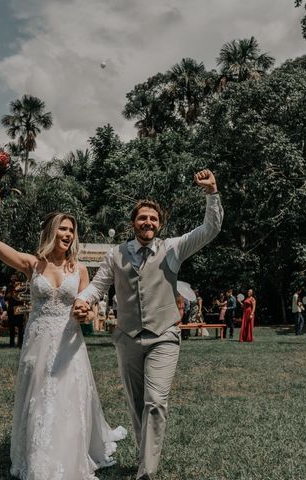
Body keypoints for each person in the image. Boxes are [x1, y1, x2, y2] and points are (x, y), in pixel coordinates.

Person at [73, 169, 223, 480]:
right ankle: (145, 458)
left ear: (160, 224)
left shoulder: (173, 248)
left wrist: (211, 193)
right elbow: (98, 286)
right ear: (133, 223)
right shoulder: (116, 255)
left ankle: (146, 472)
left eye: (153, 219)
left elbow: (210, 229)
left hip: (163, 336)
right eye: (142, 218)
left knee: (156, 402)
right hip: (127, 338)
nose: (148, 223)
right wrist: (84, 299)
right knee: (137, 403)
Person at [0, 190, 126, 480]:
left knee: (69, 398)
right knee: (39, 397)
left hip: (71, 341)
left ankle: (69, 453)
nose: (68, 234)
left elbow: (91, 307)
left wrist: (87, 314)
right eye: (63, 228)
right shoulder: (32, 264)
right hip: (39, 341)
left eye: (72, 230)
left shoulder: (81, 269)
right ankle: (37, 455)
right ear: (51, 231)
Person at [5, 273, 25, 347]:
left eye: (15, 278)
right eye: (12, 278)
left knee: (20, 327)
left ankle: (20, 343)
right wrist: (10, 293)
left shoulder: (21, 286)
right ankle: (11, 343)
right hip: (11, 308)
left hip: (19, 307)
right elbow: (5, 298)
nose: (13, 279)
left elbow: (24, 296)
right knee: (12, 327)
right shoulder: (9, 286)